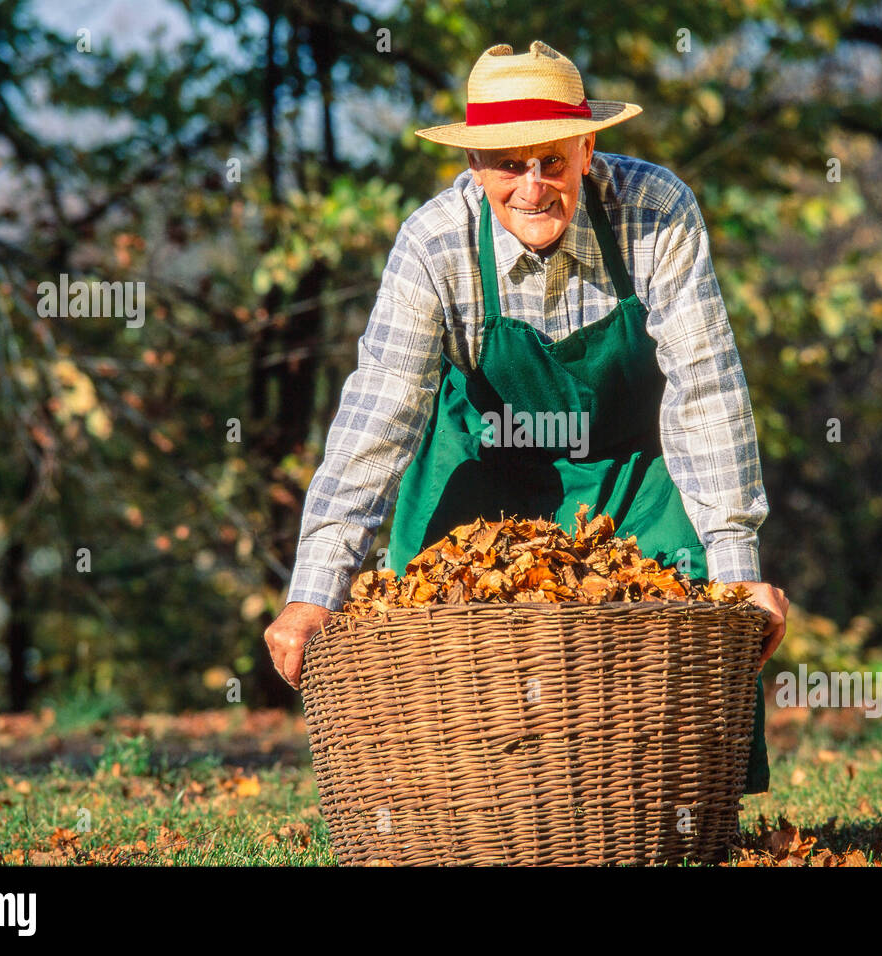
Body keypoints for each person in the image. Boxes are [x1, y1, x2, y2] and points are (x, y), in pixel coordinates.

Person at [264, 40, 789, 792]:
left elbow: (705, 386)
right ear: (475, 165)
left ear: (587, 146)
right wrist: (313, 593)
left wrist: (737, 571)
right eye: (510, 164)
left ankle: (664, 806)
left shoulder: (654, 211)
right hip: (484, 461)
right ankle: (469, 814)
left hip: (631, 467)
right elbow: (379, 414)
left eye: (552, 159)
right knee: (433, 633)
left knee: (691, 609)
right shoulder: (433, 244)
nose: (534, 185)